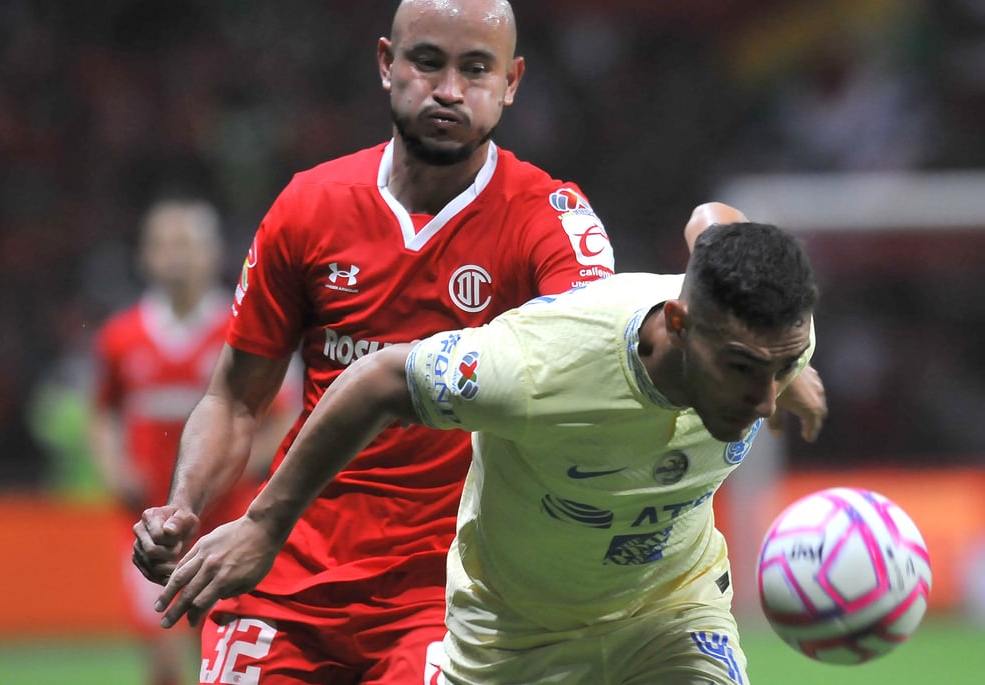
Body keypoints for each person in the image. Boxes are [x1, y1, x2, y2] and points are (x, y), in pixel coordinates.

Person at [132, 1, 824, 682]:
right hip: (286, 567)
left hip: (445, 596)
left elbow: (606, 334)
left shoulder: (549, 222)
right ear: (386, 63)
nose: (449, 90)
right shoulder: (308, 208)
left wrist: (769, 363)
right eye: (427, 63)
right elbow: (234, 399)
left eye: (476, 69)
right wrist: (184, 502)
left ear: (512, 83)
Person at [152, 220, 819, 685]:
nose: (764, 401)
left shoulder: (770, 333)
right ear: (678, 322)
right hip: (512, 635)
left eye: (781, 368)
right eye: (742, 370)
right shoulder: (537, 363)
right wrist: (268, 524)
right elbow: (381, 378)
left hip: (672, 611)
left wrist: (789, 375)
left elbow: (717, 228)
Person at [90, 198, 297, 685]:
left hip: (227, 520)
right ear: (144, 255)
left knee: (221, 652)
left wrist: (244, 469)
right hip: (149, 524)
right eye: (162, 244)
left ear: (212, 253)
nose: (174, 256)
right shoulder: (121, 337)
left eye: (185, 243)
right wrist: (113, 468)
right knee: (162, 660)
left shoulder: (243, 328)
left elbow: (285, 416)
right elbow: (102, 413)